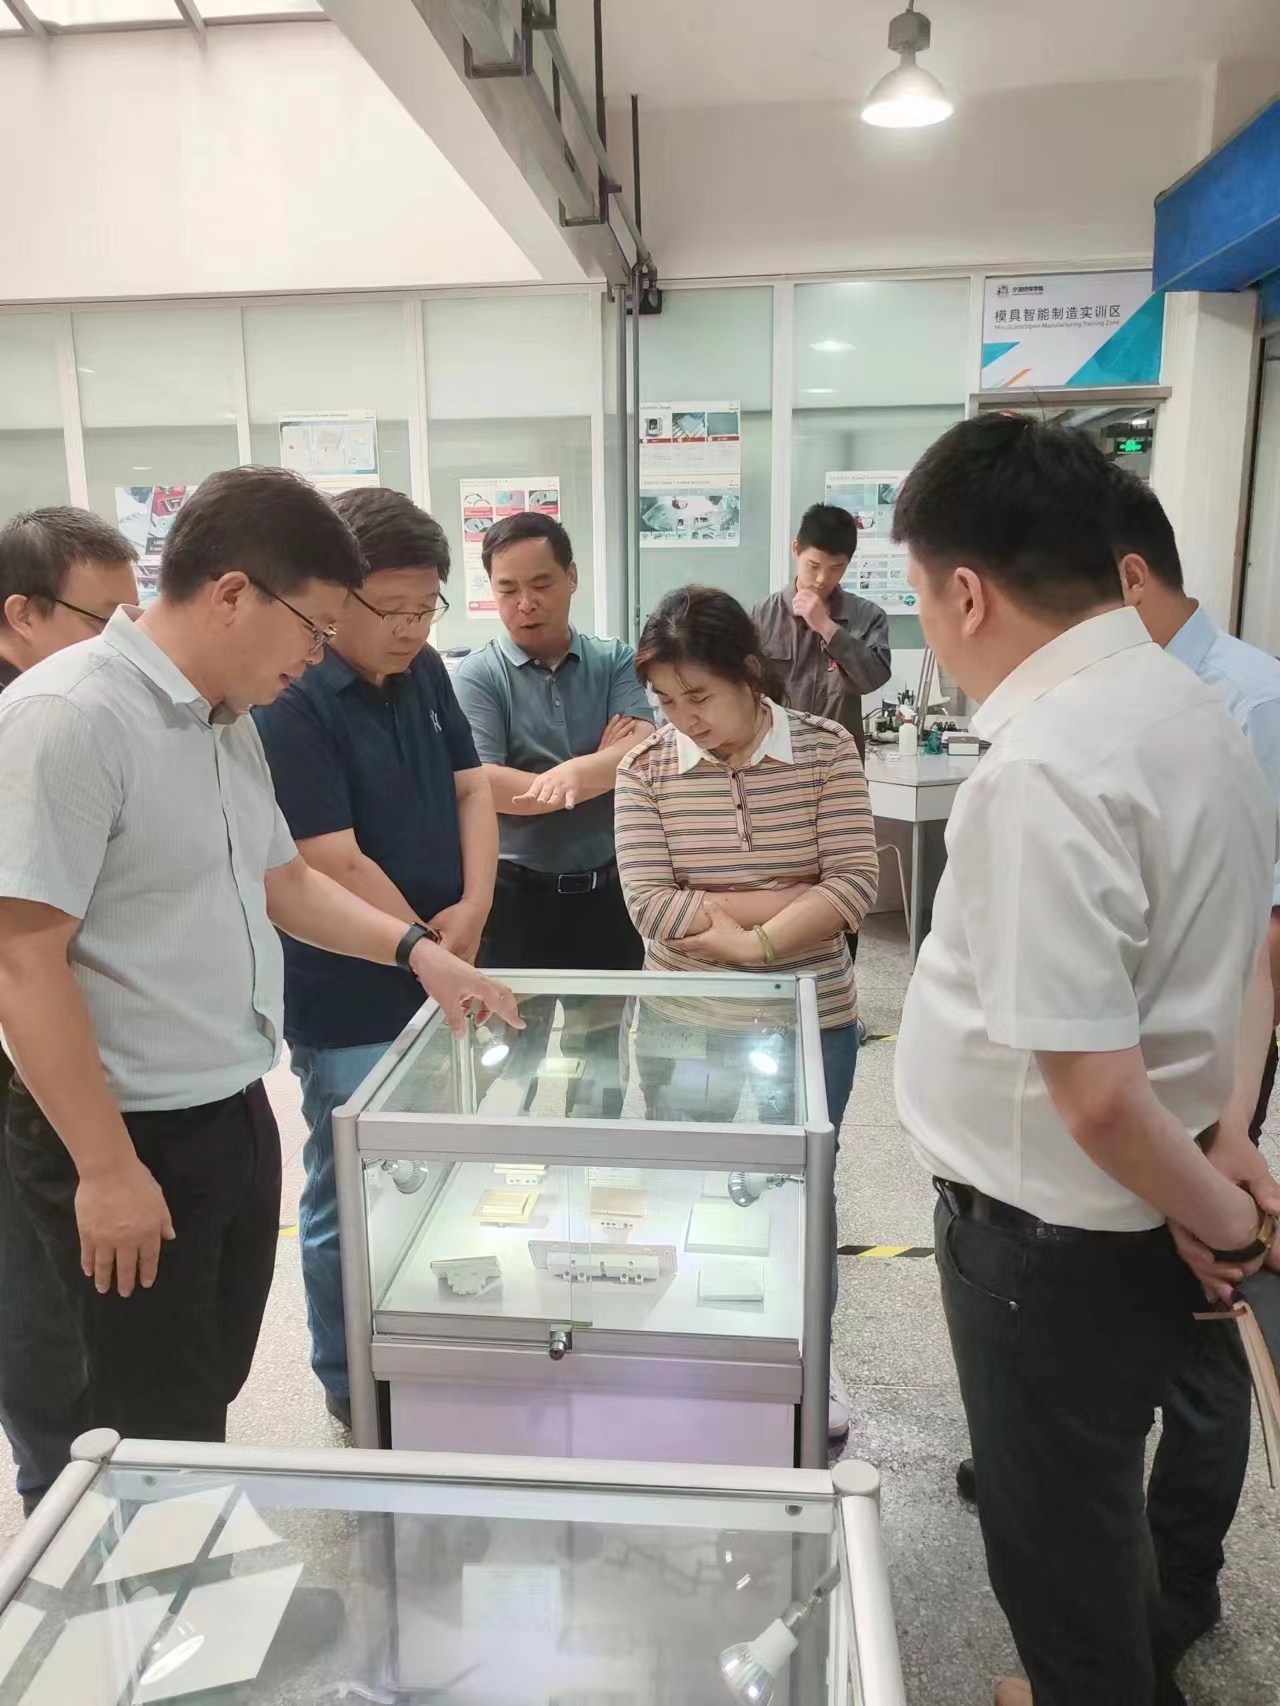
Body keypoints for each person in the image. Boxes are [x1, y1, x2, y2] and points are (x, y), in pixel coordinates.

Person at [0, 466, 519, 1492]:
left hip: (227, 1105)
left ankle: (180, 1561)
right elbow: (22, 960)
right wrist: (105, 1169)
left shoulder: (224, 719)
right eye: (314, 628)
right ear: (234, 593)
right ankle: (135, 1586)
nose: (318, 655)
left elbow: (286, 882)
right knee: (132, 1425)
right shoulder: (67, 716)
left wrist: (420, 953)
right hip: (121, 1131)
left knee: (199, 1388)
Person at [892, 414, 1280, 1706]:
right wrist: (1218, 1149)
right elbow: (1228, 963)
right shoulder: (1192, 704)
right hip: (1132, 1201)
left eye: (921, 598)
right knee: (1094, 1496)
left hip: (1044, 1242)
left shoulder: (1047, 763)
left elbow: (1098, 1093)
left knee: (1054, 1540)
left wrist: (1225, 1218)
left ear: (964, 592)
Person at [253, 487, 498, 1427]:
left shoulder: (426, 668)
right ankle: (351, 1378)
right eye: (387, 609)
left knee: (446, 1174)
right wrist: (428, 948)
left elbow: (473, 790)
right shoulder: (294, 699)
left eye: (425, 607)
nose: (409, 629)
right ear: (333, 597)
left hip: (447, 962)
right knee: (352, 1190)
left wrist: (475, 908)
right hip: (351, 992)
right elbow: (331, 858)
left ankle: (436, 1347)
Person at [613, 584, 878, 1438]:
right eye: (665, 701)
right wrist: (787, 900)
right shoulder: (645, 769)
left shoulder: (826, 750)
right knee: (687, 1186)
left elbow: (853, 883)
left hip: (809, 1022)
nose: (683, 719)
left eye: (699, 695)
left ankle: (808, 1358)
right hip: (683, 1020)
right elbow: (651, 904)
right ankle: (698, 1350)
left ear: (750, 674)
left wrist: (752, 942)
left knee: (801, 1192)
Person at [1111, 468, 1280, 1654]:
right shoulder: (1129, 698)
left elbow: (1258, 938)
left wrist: (1225, 1124)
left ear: (1126, 579)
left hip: (1208, 1075)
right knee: (1113, 1285)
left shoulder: (1246, 700)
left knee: (1204, 1327)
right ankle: (1086, 1481)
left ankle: (1178, 1579)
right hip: (1123, 1064)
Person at [0, 507, 139, 1513]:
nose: (124, 643)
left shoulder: (86, 712)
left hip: (56, 1050)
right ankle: (64, 1504)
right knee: (39, 1303)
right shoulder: (35, 723)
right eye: (105, 621)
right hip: (21, 1056)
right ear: (22, 614)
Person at [453, 510, 653, 971]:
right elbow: (484, 784)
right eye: (507, 590)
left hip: (608, 890)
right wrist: (598, 770)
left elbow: (640, 749)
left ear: (572, 577)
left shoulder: (614, 659)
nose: (525, 603)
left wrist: (574, 773)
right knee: (512, 1015)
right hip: (514, 897)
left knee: (611, 1017)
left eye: (541, 584)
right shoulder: (479, 675)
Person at [752, 502, 892, 759]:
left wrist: (828, 628)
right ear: (796, 549)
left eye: (836, 568)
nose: (822, 579)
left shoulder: (867, 616)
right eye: (813, 565)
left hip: (840, 760)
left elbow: (873, 680)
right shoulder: (762, 615)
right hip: (776, 759)